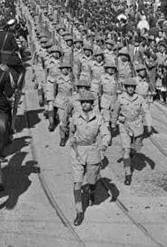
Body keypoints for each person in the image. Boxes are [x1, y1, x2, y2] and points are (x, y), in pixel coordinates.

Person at [66, 91, 111, 226]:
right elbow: (72, 131)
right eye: (83, 102)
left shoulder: (98, 118)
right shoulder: (75, 116)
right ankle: (79, 212)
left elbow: (106, 134)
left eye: (88, 102)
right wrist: (72, 138)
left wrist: (103, 145)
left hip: (92, 151)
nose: (85, 104)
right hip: (77, 152)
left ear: (92, 104)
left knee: (92, 179)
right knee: (77, 182)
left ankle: (92, 190)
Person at [113, 77, 147, 186]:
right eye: (129, 87)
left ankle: (133, 151)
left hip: (136, 125)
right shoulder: (120, 98)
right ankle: (127, 174)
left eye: (132, 87)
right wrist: (113, 123)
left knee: (136, 149)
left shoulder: (139, 98)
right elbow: (115, 112)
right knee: (126, 150)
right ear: (126, 88)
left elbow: (144, 111)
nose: (131, 89)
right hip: (124, 125)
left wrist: (146, 123)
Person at [52, 61, 76, 146]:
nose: (65, 70)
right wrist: (54, 103)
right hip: (60, 101)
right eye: (63, 69)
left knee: (71, 120)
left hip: (70, 100)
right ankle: (62, 138)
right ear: (61, 70)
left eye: (67, 68)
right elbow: (54, 91)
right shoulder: (57, 79)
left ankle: (70, 135)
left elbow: (74, 90)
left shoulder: (72, 79)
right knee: (62, 120)